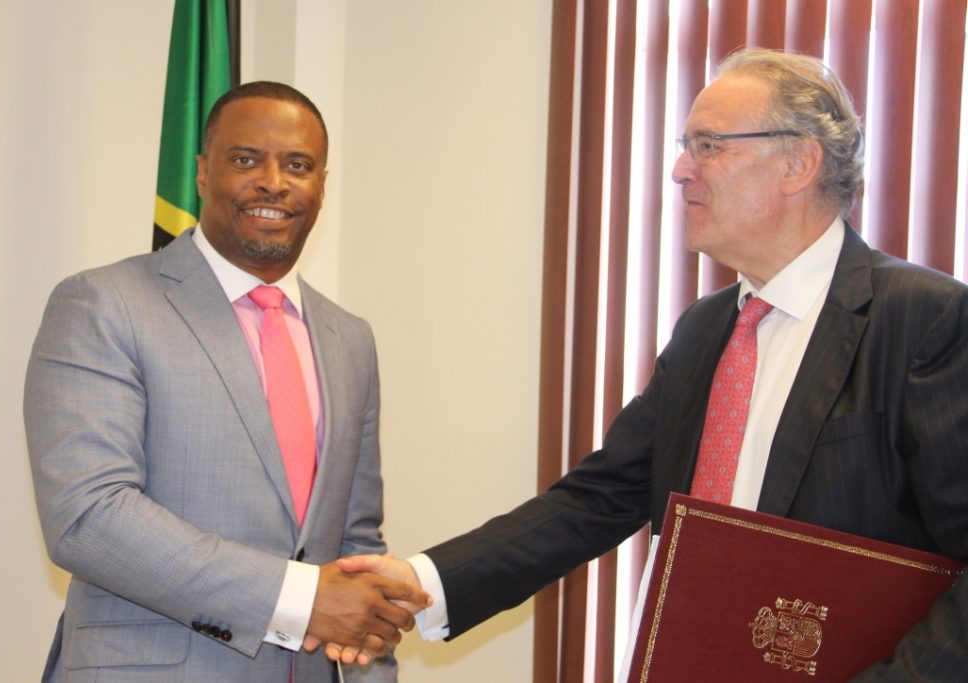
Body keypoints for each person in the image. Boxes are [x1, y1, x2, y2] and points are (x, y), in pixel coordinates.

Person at [336, 48, 968, 680]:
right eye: (685, 145)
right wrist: (421, 582)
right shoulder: (706, 328)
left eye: (708, 145)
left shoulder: (923, 321)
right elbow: (600, 497)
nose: (680, 170)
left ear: (797, 163)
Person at [24, 81, 427, 682]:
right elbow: (88, 516)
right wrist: (297, 598)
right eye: (246, 160)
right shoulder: (102, 303)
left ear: (321, 185)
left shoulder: (351, 339)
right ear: (202, 173)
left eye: (299, 164)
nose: (273, 181)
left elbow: (355, 544)